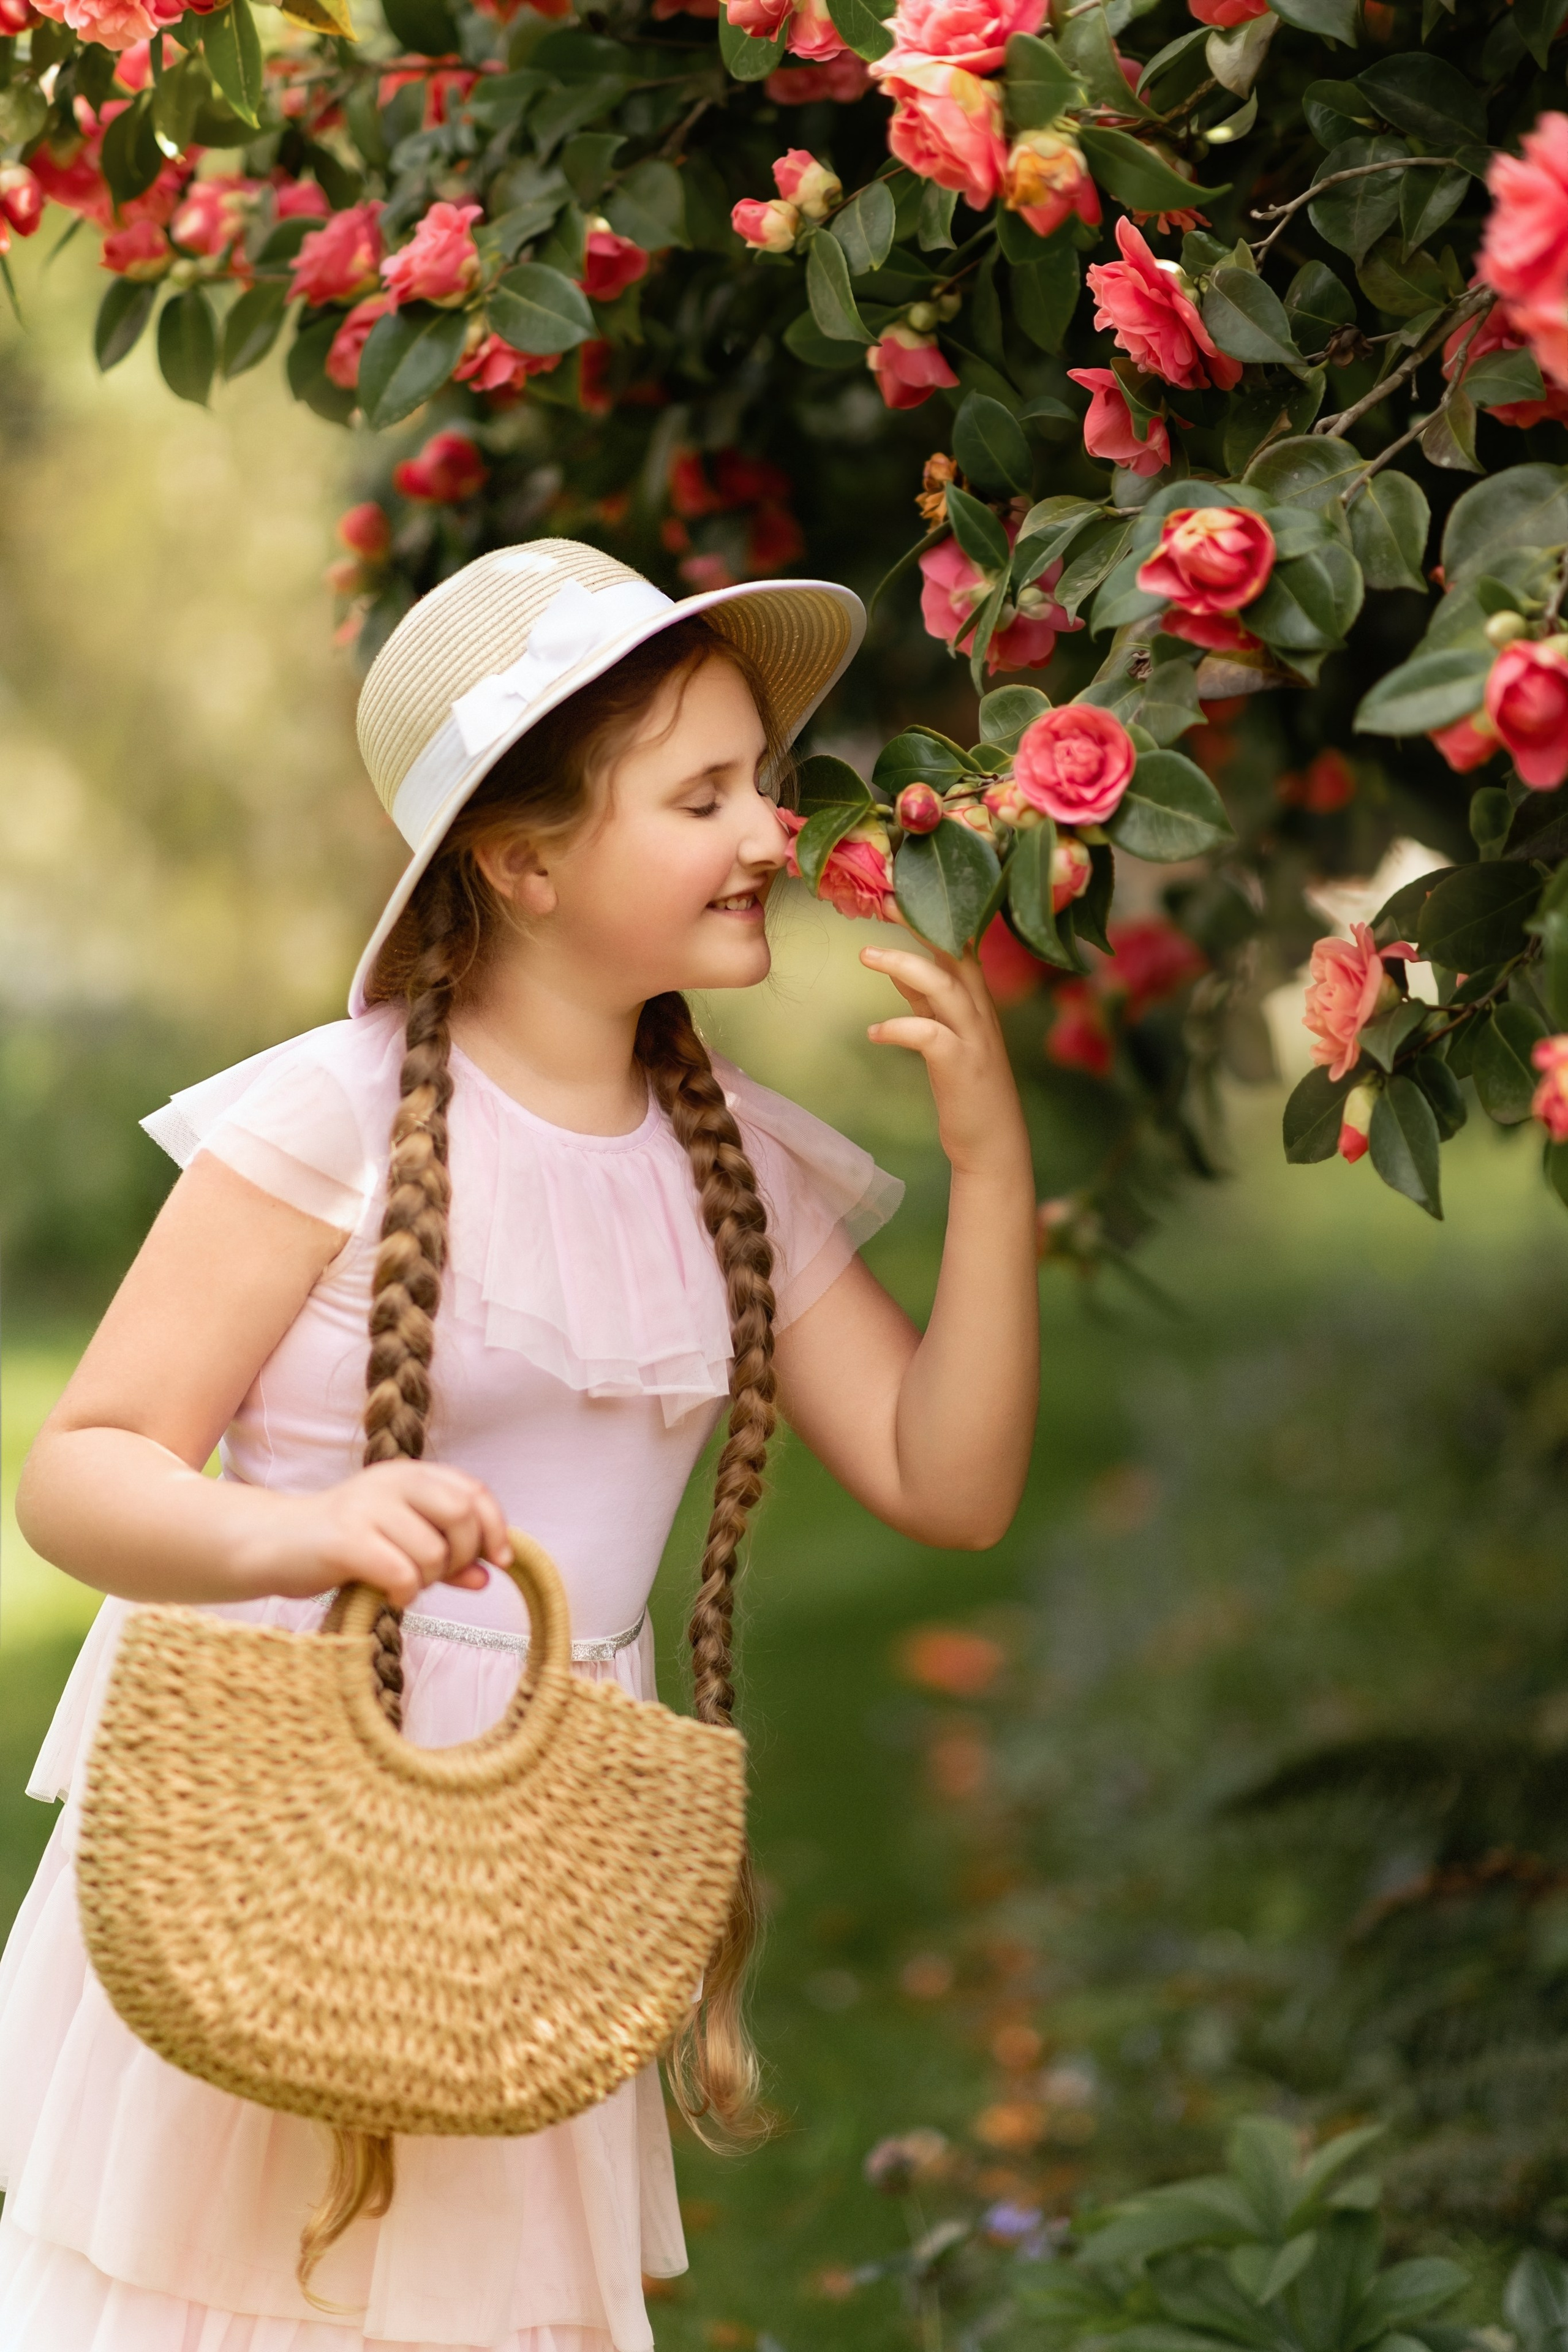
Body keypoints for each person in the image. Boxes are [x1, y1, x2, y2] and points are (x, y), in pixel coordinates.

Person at [1, 539, 1039, 2352]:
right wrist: (302, 1530)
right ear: (528, 858)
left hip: (546, 1866)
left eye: (767, 789)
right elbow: (80, 1466)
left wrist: (992, 1165)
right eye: (702, 795)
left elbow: (948, 1487)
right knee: (228, 2300)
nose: (771, 836)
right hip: (282, 1819)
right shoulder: (331, 1119)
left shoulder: (747, 1167)